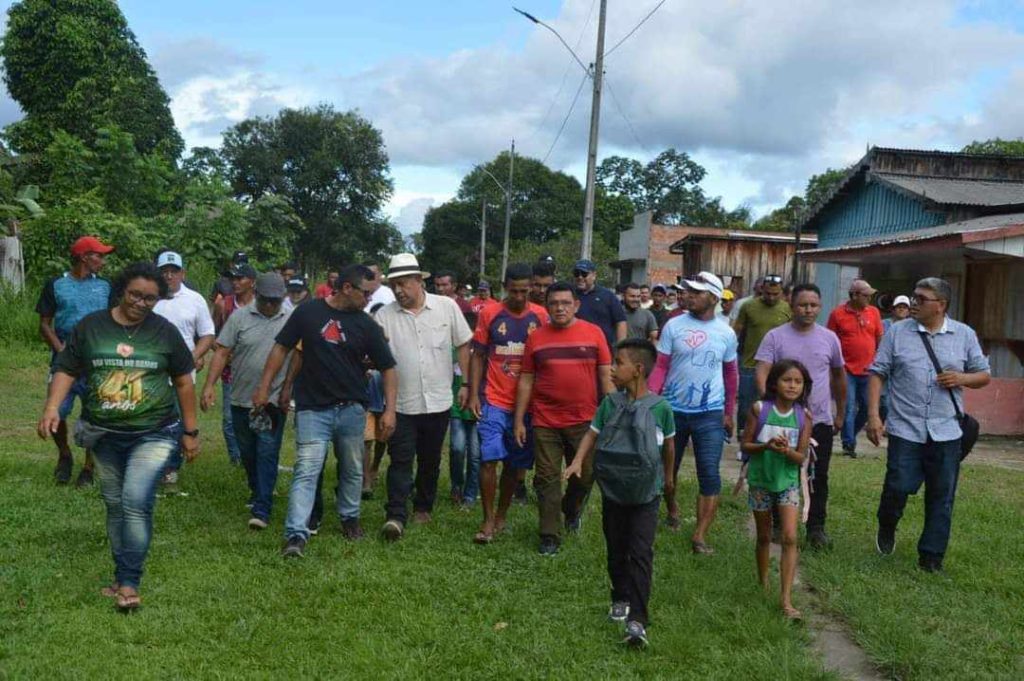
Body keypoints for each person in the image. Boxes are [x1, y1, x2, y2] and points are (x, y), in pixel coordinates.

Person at [37, 261, 199, 611]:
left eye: (151, 299)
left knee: (135, 500)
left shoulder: (164, 332)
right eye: (135, 295)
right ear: (121, 291)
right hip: (104, 433)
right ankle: (120, 573)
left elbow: (184, 381)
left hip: (154, 431)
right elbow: (66, 367)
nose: (141, 303)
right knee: (114, 503)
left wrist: (190, 431)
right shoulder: (91, 327)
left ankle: (129, 582)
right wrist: (52, 407)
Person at [255, 265, 397, 557]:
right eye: (365, 293)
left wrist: (390, 410)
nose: (368, 299)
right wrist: (264, 387)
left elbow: (389, 367)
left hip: (351, 409)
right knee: (307, 470)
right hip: (312, 409)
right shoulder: (308, 313)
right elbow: (281, 349)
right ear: (347, 288)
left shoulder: (366, 324)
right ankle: (296, 533)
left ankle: (349, 517)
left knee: (352, 468)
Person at [867, 278, 990, 573]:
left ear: (941, 305)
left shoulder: (964, 334)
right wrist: (873, 415)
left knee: (941, 495)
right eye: (914, 297)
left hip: (947, 430)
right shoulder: (897, 333)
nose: (914, 303)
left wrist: (961, 378)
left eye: (922, 299)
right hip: (905, 428)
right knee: (898, 485)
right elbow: (877, 373)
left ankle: (931, 557)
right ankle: (887, 524)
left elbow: (983, 375)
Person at [564, 338, 676, 648]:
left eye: (619, 363)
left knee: (641, 552)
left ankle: (638, 620)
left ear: (638, 369)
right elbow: (592, 434)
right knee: (616, 547)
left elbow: (669, 445)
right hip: (613, 490)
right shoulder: (610, 404)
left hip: (646, 494)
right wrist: (576, 462)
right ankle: (619, 596)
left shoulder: (661, 408)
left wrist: (668, 480)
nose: (612, 369)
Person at [375, 253, 473, 541]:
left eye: (403, 284)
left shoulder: (446, 307)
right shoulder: (384, 316)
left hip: (439, 399)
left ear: (419, 281)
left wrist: (465, 383)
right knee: (400, 458)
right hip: (401, 403)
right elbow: (377, 356)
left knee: (430, 459)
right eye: (394, 285)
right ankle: (395, 514)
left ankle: (423, 505)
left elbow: (464, 345)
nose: (398, 291)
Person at [515, 281, 613, 554]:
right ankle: (549, 535)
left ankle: (571, 511)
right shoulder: (536, 337)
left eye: (565, 303)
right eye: (554, 303)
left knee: (585, 476)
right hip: (545, 420)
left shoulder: (594, 334)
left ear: (576, 305)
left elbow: (606, 376)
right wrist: (519, 419)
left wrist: (616, 413)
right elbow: (526, 379)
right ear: (547, 306)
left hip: (584, 421)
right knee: (547, 478)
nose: (560, 308)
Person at [649, 272, 738, 553]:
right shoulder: (674, 326)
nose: (689, 295)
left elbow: (730, 373)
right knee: (666, 470)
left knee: (709, 472)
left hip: (709, 413)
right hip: (672, 410)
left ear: (713, 297)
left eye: (696, 292)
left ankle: (700, 535)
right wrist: (651, 400)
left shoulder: (726, 332)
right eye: (688, 291)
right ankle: (672, 509)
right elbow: (661, 365)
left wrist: (728, 412)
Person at [755, 283, 847, 549]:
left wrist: (840, 412)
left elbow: (839, 377)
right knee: (779, 471)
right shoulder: (775, 337)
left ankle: (816, 528)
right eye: (802, 304)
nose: (808, 310)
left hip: (818, 420)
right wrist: (768, 405)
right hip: (782, 419)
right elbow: (763, 371)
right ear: (791, 306)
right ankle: (776, 523)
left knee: (818, 476)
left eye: (814, 305)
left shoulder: (829, 338)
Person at [201, 273, 293, 530]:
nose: (270, 306)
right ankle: (257, 489)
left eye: (275, 301)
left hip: (272, 400)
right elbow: (222, 352)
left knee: (267, 450)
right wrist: (209, 385)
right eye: (266, 300)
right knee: (248, 451)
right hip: (241, 397)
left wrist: (287, 388)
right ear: (257, 294)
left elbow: (298, 354)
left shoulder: (290, 318)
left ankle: (262, 507)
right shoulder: (240, 317)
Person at [467, 263, 548, 544]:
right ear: (505, 287)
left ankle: (502, 514)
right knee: (488, 459)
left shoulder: (541, 315)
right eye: (514, 291)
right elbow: (478, 354)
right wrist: (474, 393)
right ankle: (487, 519)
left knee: (515, 464)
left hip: (526, 406)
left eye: (525, 291)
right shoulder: (490, 313)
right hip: (494, 399)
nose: (520, 296)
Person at [35, 235, 114, 486]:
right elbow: (45, 324)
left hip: (96, 362)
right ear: (84, 257)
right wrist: (61, 351)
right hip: (64, 361)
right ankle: (65, 456)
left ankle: (89, 468)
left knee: (95, 414)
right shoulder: (56, 285)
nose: (102, 260)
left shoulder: (105, 287)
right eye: (98, 255)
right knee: (57, 411)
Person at [741, 359, 812, 620]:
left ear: (804, 387)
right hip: (760, 480)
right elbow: (745, 445)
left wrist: (787, 451)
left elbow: (801, 457)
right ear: (775, 383)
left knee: (790, 537)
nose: (792, 385)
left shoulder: (803, 416)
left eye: (798, 381)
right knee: (763, 536)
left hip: (788, 483)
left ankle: (786, 598)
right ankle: (763, 584)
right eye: (787, 380)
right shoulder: (760, 409)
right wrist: (766, 446)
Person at [153, 250, 215, 486]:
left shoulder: (195, 299)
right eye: (164, 272)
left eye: (174, 271)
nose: (169, 276)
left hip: (182, 371)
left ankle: (170, 467)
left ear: (182, 273)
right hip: (153, 368)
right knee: (153, 416)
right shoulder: (150, 297)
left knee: (177, 418)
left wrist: (193, 357)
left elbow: (208, 334)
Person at [827, 279, 883, 458]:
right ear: (855, 295)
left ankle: (849, 432)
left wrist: (879, 361)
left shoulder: (873, 312)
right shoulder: (837, 314)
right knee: (849, 407)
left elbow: (879, 337)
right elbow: (830, 340)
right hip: (846, 369)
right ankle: (848, 444)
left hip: (869, 370)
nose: (869, 299)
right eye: (866, 295)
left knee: (868, 407)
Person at [732, 274, 791, 435]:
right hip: (750, 363)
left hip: (777, 366)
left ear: (781, 293)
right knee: (746, 404)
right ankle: (743, 435)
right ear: (761, 290)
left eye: (775, 294)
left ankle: (766, 435)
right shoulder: (748, 306)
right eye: (768, 294)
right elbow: (736, 330)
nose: (771, 297)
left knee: (772, 403)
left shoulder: (787, 308)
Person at [211, 263, 256, 466]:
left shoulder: (260, 304)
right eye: (233, 279)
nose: (235, 283)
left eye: (240, 279)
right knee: (230, 417)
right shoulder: (224, 305)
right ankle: (236, 458)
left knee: (256, 413)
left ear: (252, 282)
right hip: (230, 370)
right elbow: (211, 334)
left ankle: (255, 455)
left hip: (256, 368)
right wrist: (223, 353)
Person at [449, 310, 481, 508]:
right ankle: (457, 485)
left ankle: (471, 493)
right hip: (456, 408)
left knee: (476, 454)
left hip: (477, 410)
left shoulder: (482, 354)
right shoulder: (453, 351)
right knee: (457, 448)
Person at [573, 259, 627, 353]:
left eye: (584, 274)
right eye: (577, 273)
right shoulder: (570, 295)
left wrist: (621, 350)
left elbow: (621, 322)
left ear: (594, 275)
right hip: (575, 351)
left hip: (602, 352)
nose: (580, 277)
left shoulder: (607, 296)